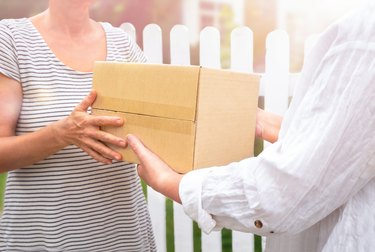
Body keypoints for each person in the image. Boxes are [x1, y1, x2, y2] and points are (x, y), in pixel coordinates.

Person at [126, 1, 375, 251]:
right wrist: (282, 127)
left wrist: (175, 184)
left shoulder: (365, 35)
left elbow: (284, 193)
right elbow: (354, 143)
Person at [0, 0, 156, 251]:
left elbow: (157, 126)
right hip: (44, 237)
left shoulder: (122, 44)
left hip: (123, 235)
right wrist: (62, 134)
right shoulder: (11, 39)